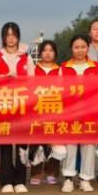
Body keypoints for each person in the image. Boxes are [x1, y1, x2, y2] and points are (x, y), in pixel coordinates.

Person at [0, 22, 34, 193]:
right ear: (3, 38)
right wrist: (3, 78)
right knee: (5, 144)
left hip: (22, 105)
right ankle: (6, 180)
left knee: (21, 144)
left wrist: (18, 79)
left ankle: (20, 180)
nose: (10, 38)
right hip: (3, 105)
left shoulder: (27, 57)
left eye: (13, 35)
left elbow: (33, 81)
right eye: (7, 35)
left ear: (18, 36)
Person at [60, 35, 98, 192]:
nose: (80, 50)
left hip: (90, 111)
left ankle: (85, 179)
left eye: (83, 47)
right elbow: (59, 89)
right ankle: (68, 178)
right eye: (76, 47)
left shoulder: (95, 67)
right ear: (72, 48)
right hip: (70, 112)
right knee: (70, 145)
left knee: (88, 146)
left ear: (88, 48)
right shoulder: (64, 67)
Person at [30, 39, 63, 186]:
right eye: (45, 50)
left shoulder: (60, 70)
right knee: (36, 142)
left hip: (54, 109)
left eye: (51, 50)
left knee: (54, 141)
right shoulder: (33, 69)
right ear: (40, 53)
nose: (47, 53)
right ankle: (36, 173)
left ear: (55, 53)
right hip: (37, 109)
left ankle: (52, 172)